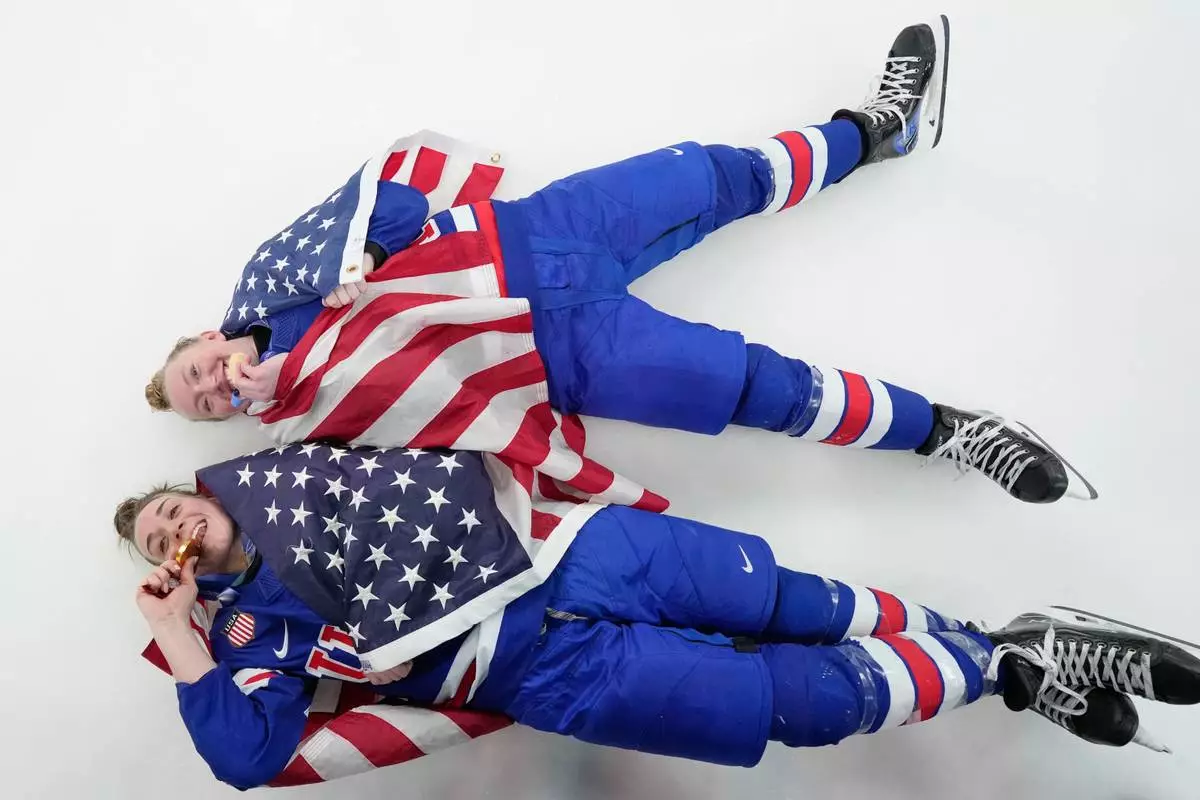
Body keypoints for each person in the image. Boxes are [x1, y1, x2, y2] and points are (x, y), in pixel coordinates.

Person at [141, 16, 1096, 506]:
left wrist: (364, 262)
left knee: (714, 173)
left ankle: (876, 131)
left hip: (531, 236)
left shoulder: (275, 274)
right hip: (554, 360)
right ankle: (947, 434)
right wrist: (301, 385)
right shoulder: (297, 429)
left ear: (202, 335)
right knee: (756, 389)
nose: (215, 388)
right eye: (206, 406)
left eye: (197, 372)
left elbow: (389, 198)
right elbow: (411, 459)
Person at [118, 442, 1197, 790]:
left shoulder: (296, 469)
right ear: (175, 561)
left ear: (205, 494)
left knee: (790, 599)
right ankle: (1015, 662)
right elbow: (249, 760)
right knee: (792, 703)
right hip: (533, 665)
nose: (172, 523)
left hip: (566, 549)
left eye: (171, 501)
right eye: (155, 533)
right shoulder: (248, 634)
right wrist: (181, 640)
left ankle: (1000, 644)